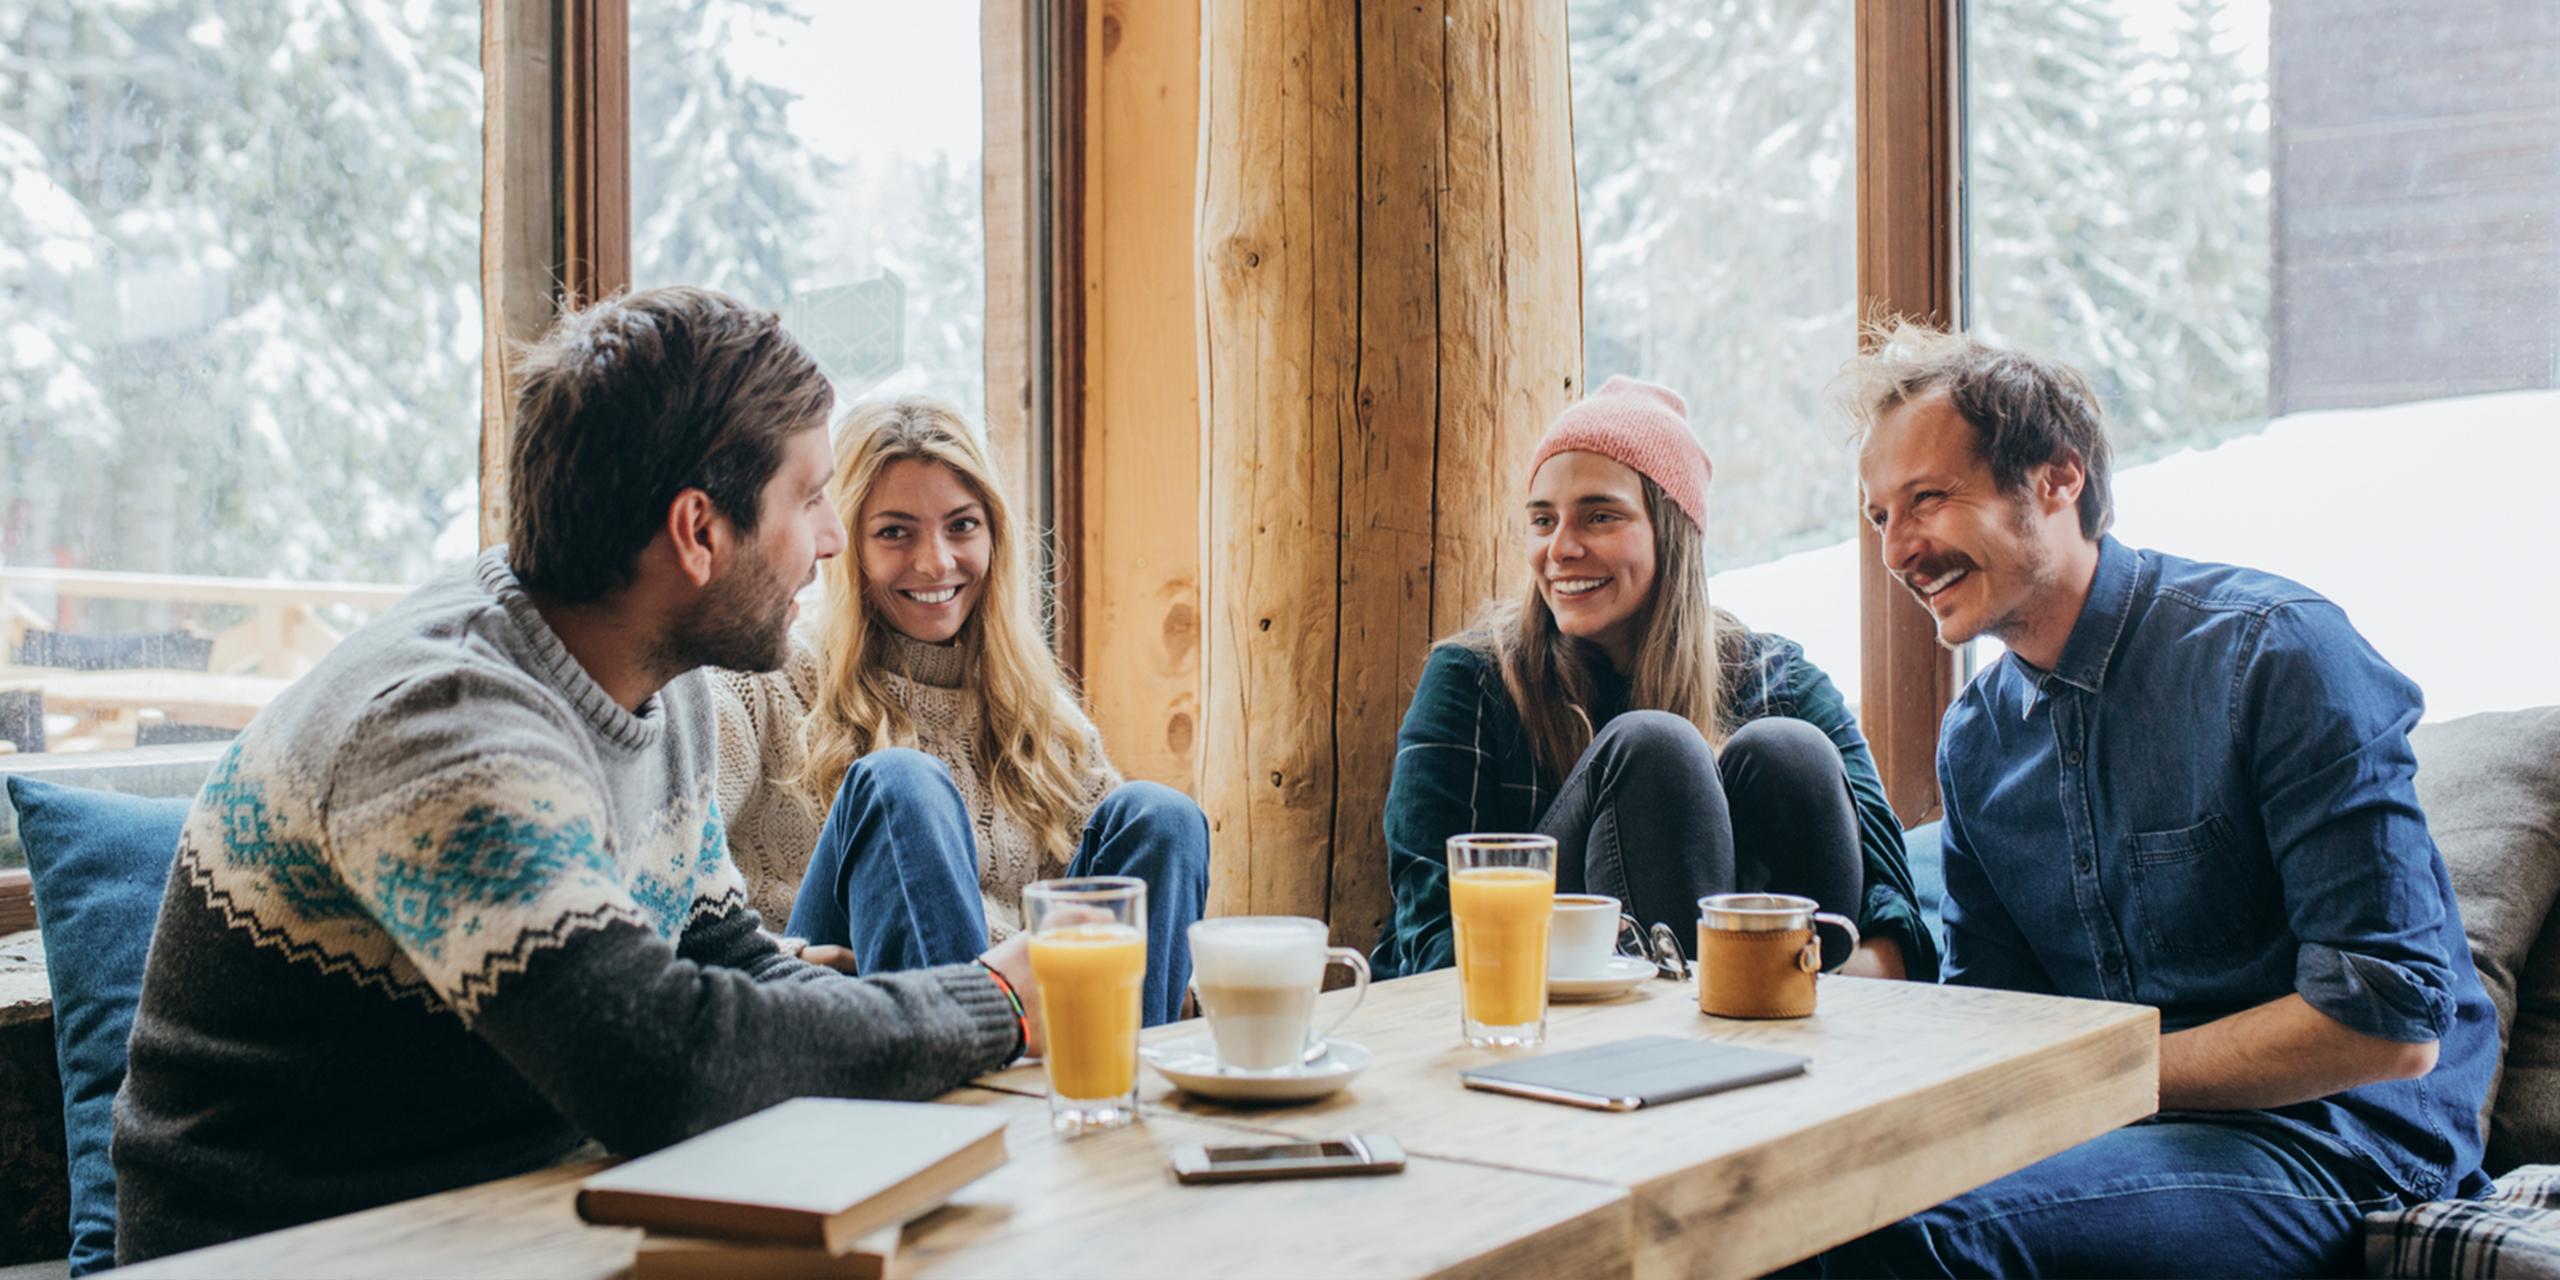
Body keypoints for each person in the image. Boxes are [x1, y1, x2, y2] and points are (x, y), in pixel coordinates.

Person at [111, 289, 1044, 1265]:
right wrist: (990, 1000)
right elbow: (662, 1066)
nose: (829, 539)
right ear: (698, 531)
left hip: (511, 1218)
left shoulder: (661, 677)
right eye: (810, 498)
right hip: (299, 1251)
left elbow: (732, 963)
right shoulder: (448, 731)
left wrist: (900, 1011)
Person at [1820, 321, 2494, 1276]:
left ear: (2059, 479)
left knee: (1903, 1240)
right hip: (2113, 1133)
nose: (1898, 550)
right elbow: (1994, 1020)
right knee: (1786, 1212)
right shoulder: (1977, 738)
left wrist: (2089, 1075)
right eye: (1879, 516)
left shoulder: (2275, 653)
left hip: (2339, 1141)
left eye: (1927, 500)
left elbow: (2387, 1026)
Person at [1374, 375, 1939, 983]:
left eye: (1598, 516)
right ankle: (1680, 1043)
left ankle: (1767, 1029)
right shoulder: (1475, 679)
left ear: (1672, 535)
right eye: (1543, 520)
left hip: (1770, 1008)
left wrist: (1799, 980)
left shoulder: (1778, 679)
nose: (1560, 548)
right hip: (1524, 997)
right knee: (1653, 747)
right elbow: (1430, 938)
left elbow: (1894, 915)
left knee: (1790, 750)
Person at [710, 395, 1207, 1025]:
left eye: (961, 526)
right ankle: (963, 1102)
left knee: (1163, 817)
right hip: (847, 1025)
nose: (936, 562)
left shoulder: (1030, 706)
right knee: (899, 782)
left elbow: (1118, 900)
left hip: (1034, 1024)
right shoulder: (761, 683)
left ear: (994, 533)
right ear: (847, 544)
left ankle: (1114, 1091)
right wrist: (785, 958)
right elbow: (664, 889)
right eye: (895, 532)